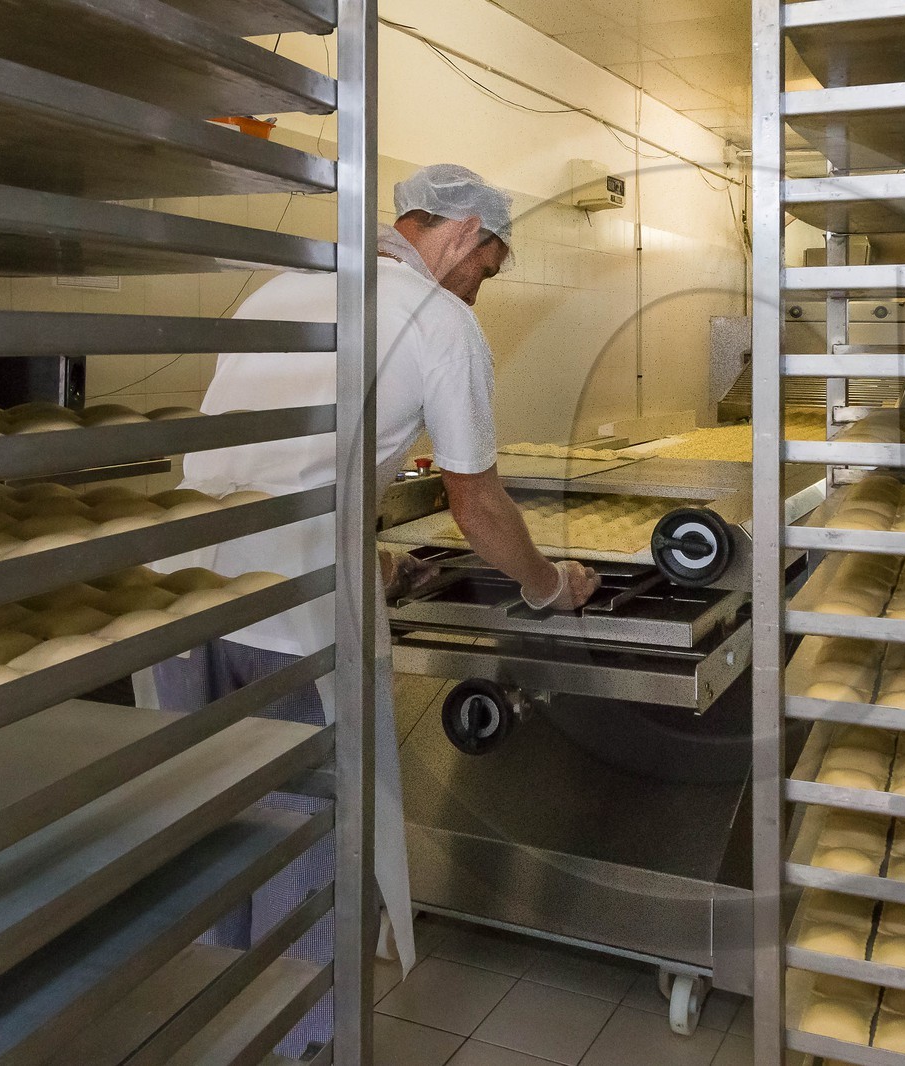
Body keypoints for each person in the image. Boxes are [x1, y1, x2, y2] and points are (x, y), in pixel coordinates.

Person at [151, 164, 600, 1058]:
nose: (480, 288)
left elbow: (266, 457)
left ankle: (208, 1030)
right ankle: (302, 1044)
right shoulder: (442, 324)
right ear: (465, 236)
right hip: (294, 627)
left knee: (212, 839)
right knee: (310, 844)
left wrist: (364, 546)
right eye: (488, 269)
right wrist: (551, 583)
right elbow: (478, 509)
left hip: (185, 599)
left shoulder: (283, 283)